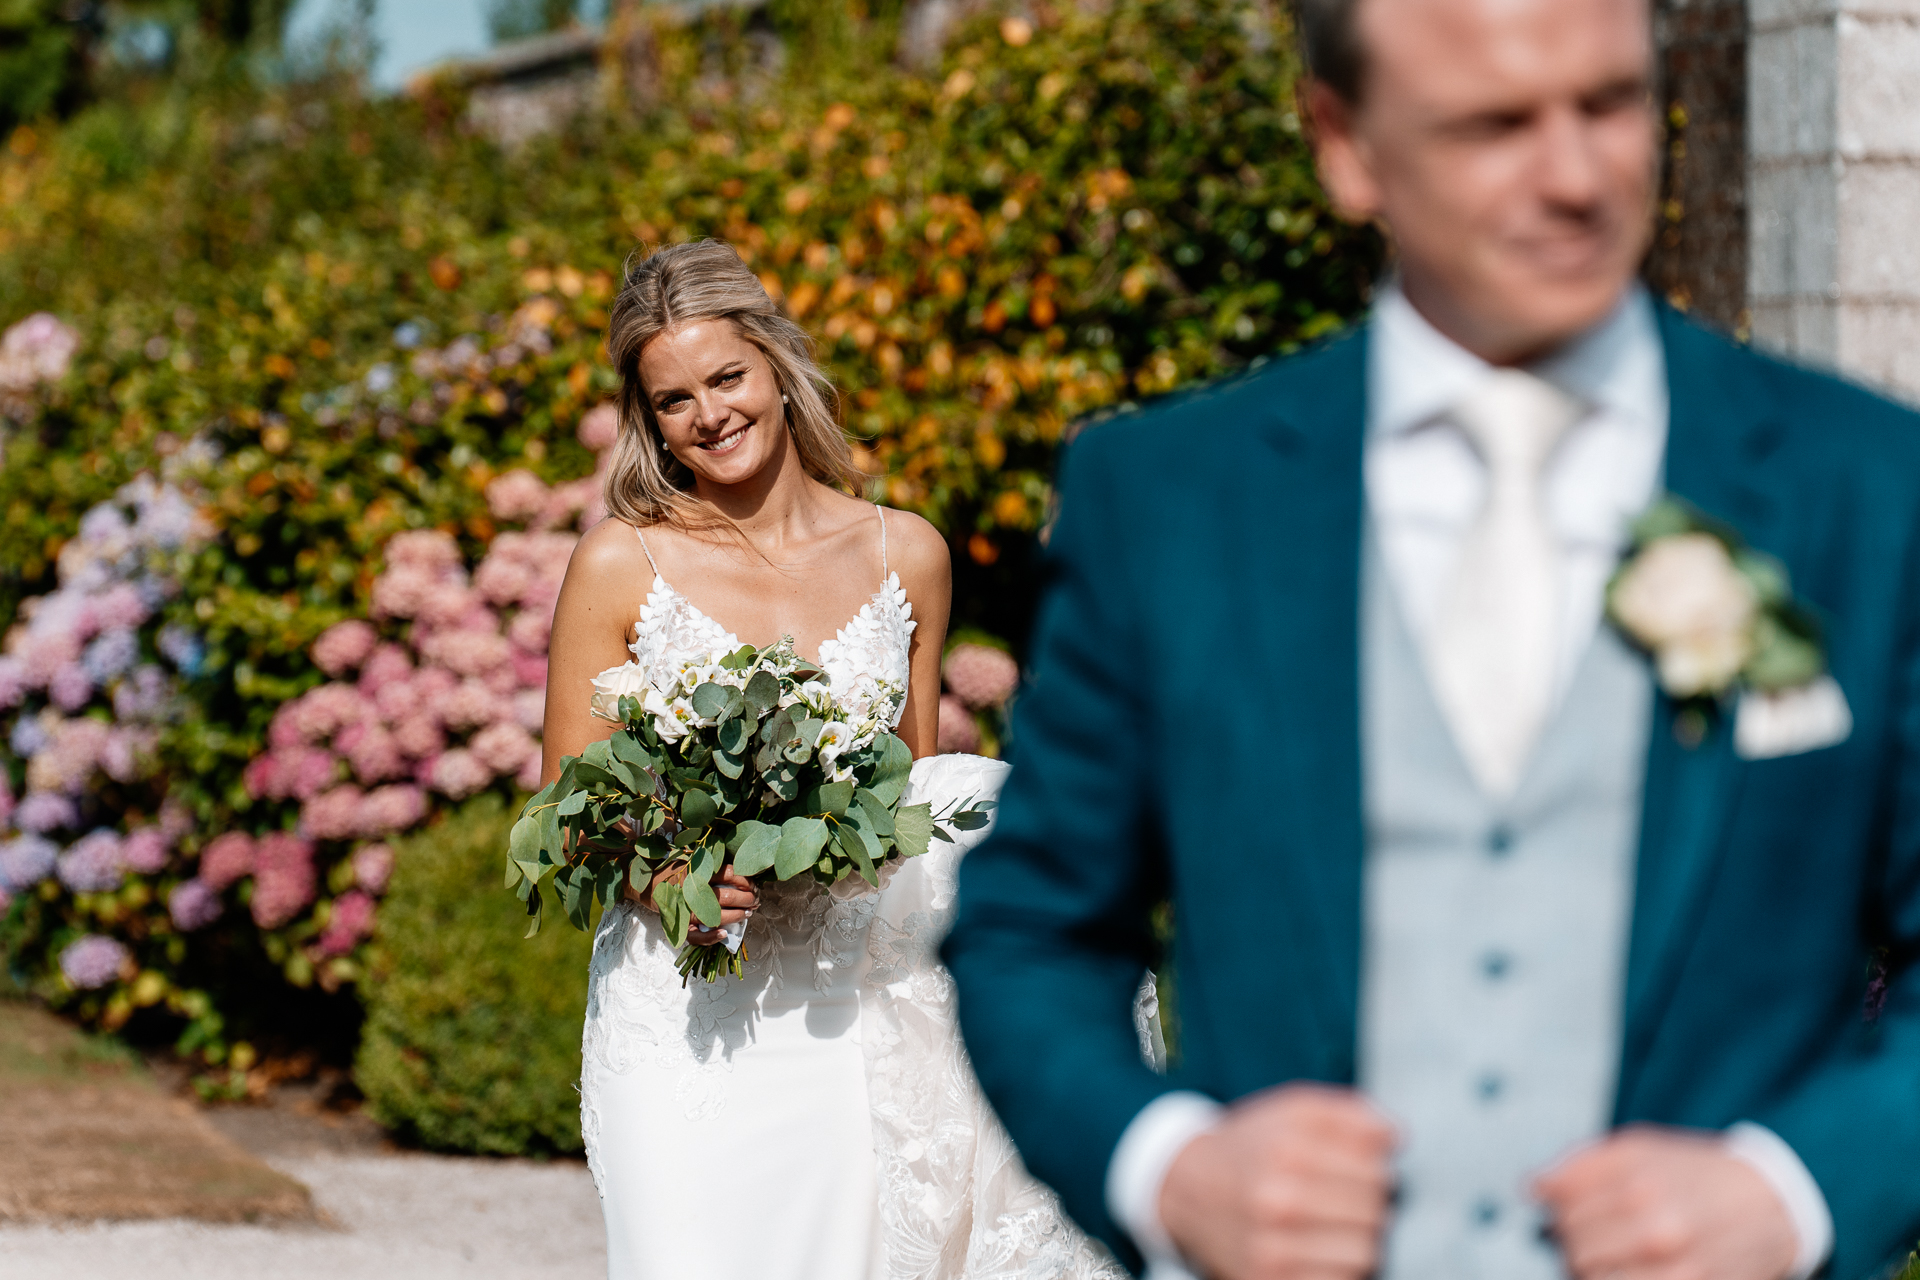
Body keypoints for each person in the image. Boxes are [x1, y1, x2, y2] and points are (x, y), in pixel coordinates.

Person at [940, 0, 1920, 1274]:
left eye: (1610, 104)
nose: (1575, 176)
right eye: (1495, 124)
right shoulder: (1174, 500)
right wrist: (1170, 1165)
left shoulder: (1863, 486)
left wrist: (1793, 1191)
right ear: (1345, 144)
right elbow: (1030, 931)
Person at [542, 239, 1129, 1279]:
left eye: (727, 377)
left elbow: (913, 788)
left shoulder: (906, 551)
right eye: (673, 399)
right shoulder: (618, 560)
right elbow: (566, 801)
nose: (709, 413)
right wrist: (675, 876)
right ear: (650, 419)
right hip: (686, 997)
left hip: (844, 1010)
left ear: (775, 366)